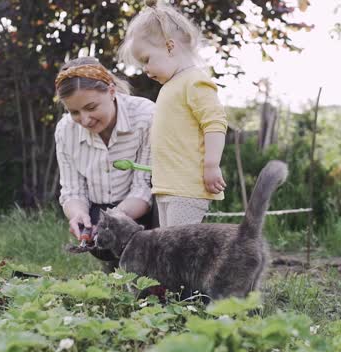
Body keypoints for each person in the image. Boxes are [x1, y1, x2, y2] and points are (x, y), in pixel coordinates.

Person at [118, 0, 228, 227]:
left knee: (180, 249)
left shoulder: (194, 82)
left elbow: (215, 124)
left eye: (146, 60)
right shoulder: (170, 86)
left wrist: (211, 164)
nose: (146, 70)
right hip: (167, 186)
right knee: (170, 248)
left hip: (187, 188)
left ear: (170, 47)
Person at [54, 56, 157, 272]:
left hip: (143, 211)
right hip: (99, 210)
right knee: (111, 260)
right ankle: (113, 267)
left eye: (91, 107)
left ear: (111, 91)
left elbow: (144, 188)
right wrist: (78, 215)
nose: (85, 119)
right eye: (74, 112)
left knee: (149, 268)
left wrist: (113, 221)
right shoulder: (65, 131)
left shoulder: (146, 116)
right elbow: (72, 190)